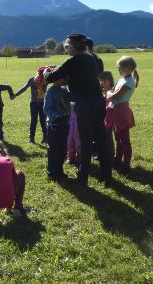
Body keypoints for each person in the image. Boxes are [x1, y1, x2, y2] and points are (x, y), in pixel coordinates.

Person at [44, 33, 112, 186]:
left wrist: (47, 71)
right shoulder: (92, 58)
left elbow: (50, 78)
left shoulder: (73, 60)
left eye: (67, 47)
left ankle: (83, 177)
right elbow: (86, 75)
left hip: (84, 104)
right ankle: (106, 174)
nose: (66, 49)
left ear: (73, 47)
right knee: (101, 138)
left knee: (86, 140)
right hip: (98, 102)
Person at [106, 56, 138, 176]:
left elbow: (116, 96)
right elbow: (113, 92)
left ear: (128, 68)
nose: (118, 69)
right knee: (118, 139)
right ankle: (118, 159)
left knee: (125, 140)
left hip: (122, 112)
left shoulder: (129, 82)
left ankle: (126, 163)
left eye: (120, 67)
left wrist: (108, 93)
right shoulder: (122, 79)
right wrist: (110, 92)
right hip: (116, 111)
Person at [44, 72, 72, 180]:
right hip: (54, 125)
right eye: (62, 78)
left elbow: (71, 100)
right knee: (53, 150)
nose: (64, 80)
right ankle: (51, 172)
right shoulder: (50, 92)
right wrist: (56, 115)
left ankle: (59, 170)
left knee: (62, 149)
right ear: (55, 79)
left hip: (65, 123)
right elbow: (47, 109)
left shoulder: (65, 90)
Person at [15, 67, 48, 144]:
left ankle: (45, 138)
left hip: (43, 103)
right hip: (34, 103)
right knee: (34, 121)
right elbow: (24, 88)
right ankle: (31, 138)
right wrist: (16, 95)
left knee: (43, 121)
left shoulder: (46, 80)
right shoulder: (32, 80)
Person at [98, 70, 116, 171]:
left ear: (110, 81)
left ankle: (110, 155)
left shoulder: (112, 92)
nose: (102, 83)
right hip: (101, 117)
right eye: (101, 81)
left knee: (108, 136)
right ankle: (102, 154)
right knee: (102, 137)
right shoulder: (100, 92)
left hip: (108, 118)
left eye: (104, 81)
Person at [66, 101, 80, 166]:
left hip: (80, 116)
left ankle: (79, 157)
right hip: (71, 116)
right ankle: (71, 156)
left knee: (78, 138)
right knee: (70, 138)